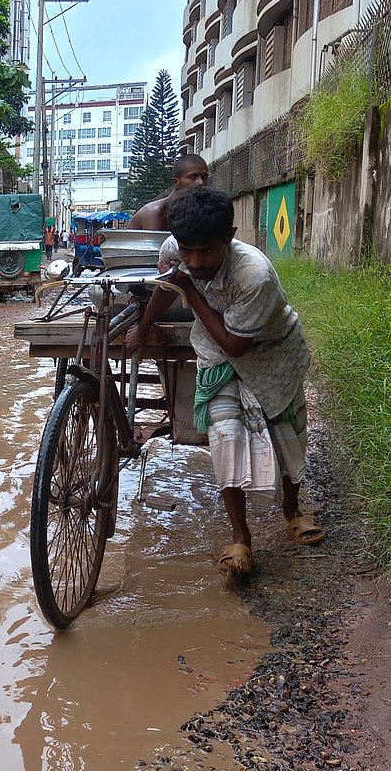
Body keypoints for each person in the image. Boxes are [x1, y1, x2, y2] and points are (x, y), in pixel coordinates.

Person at [124, 187, 325, 577]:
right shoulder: (173, 249)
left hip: (271, 354)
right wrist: (144, 328)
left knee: (286, 433)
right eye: (188, 251)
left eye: (206, 251)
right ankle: (240, 536)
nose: (195, 261)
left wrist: (190, 290)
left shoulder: (255, 275)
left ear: (229, 237)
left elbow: (236, 344)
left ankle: (292, 510)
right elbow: (167, 288)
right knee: (226, 436)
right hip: (217, 356)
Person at [129, 154, 210, 231]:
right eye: (193, 177)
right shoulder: (154, 212)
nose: (201, 182)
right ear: (175, 182)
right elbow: (157, 241)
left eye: (204, 177)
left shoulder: (198, 209)